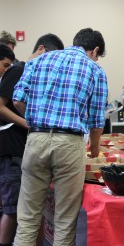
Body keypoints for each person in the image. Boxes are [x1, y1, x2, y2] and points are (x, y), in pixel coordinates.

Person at [12, 28, 108, 245]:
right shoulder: (95, 69)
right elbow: (96, 119)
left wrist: (36, 121)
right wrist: (94, 148)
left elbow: (17, 99)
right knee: (64, 221)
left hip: (36, 139)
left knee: (27, 219)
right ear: (95, 50)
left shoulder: (38, 61)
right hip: (69, 143)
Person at [0, 34, 64, 246]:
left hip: (26, 148)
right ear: (42, 49)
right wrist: (30, 123)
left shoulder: (33, 73)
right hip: (12, 150)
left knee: (29, 211)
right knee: (14, 211)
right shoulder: (18, 70)